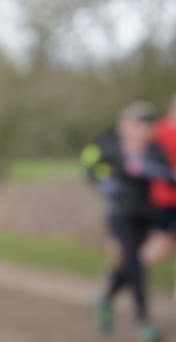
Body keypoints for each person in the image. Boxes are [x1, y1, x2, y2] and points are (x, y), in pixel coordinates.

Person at [81, 102, 176, 342]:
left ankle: (106, 298)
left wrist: (153, 170)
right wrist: (106, 183)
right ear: (123, 125)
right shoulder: (110, 145)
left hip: (147, 215)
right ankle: (144, 324)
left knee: (133, 264)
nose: (141, 129)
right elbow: (89, 164)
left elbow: (169, 176)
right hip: (120, 215)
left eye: (146, 124)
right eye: (136, 123)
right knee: (135, 264)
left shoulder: (154, 149)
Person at [144, 97, 176, 265]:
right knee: (158, 245)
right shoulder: (158, 131)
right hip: (164, 199)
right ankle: (124, 276)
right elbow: (148, 162)